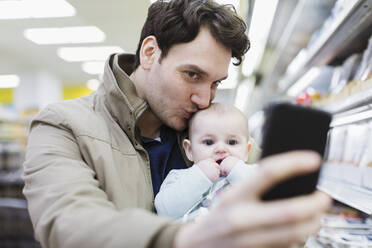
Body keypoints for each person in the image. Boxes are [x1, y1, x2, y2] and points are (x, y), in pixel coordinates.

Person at [22, 0, 331, 248]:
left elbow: (279, 217)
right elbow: (69, 225)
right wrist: (188, 239)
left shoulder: (217, 131)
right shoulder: (62, 126)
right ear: (149, 53)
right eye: (192, 75)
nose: (203, 99)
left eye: (215, 83)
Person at [155, 103, 260, 220]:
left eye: (232, 142)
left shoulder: (254, 173)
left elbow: (266, 198)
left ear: (246, 151)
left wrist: (237, 170)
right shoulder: (179, 178)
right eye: (209, 142)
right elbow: (164, 211)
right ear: (190, 150)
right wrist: (199, 176)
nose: (221, 149)